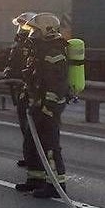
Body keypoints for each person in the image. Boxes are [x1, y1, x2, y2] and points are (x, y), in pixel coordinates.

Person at [18, 13, 70, 198]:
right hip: (38, 104)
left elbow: (56, 84)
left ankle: (56, 185)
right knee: (32, 143)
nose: (33, 34)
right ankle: (36, 179)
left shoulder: (54, 53)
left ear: (47, 30)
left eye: (36, 31)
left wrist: (48, 106)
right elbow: (35, 78)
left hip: (50, 107)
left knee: (50, 146)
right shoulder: (40, 51)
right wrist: (27, 93)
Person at [2, 12, 40, 187]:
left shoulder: (30, 44)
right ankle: (29, 156)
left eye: (24, 25)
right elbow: (13, 61)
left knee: (29, 125)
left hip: (26, 88)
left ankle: (34, 158)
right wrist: (8, 70)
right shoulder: (20, 42)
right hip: (19, 87)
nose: (21, 28)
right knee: (24, 123)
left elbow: (28, 66)